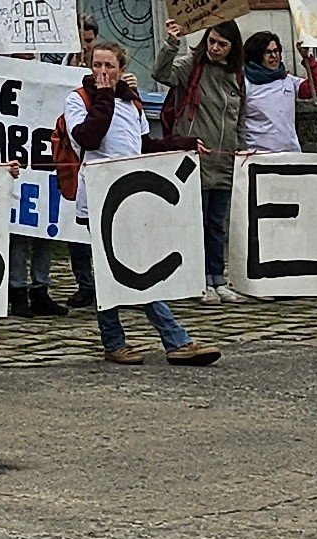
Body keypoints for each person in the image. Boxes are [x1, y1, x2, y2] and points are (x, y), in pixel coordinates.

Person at [60, 41, 216, 366]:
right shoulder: (80, 99)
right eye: (97, 66)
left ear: (121, 69)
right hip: (101, 200)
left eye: (109, 66)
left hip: (130, 197)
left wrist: (181, 144)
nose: (102, 72)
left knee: (123, 269)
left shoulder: (131, 103)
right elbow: (90, 138)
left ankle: (119, 341)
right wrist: (104, 96)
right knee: (123, 268)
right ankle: (172, 339)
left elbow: (145, 145)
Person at [159, 23, 244, 280]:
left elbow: (239, 117)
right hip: (196, 159)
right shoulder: (190, 66)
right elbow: (162, 74)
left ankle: (217, 276)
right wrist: (171, 44)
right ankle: (197, 277)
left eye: (222, 44)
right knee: (197, 222)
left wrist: (239, 150)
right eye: (212, 41)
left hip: (225, 160)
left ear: (232, 48)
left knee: (217, 224)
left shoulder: (237, 76)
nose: (215, 48)